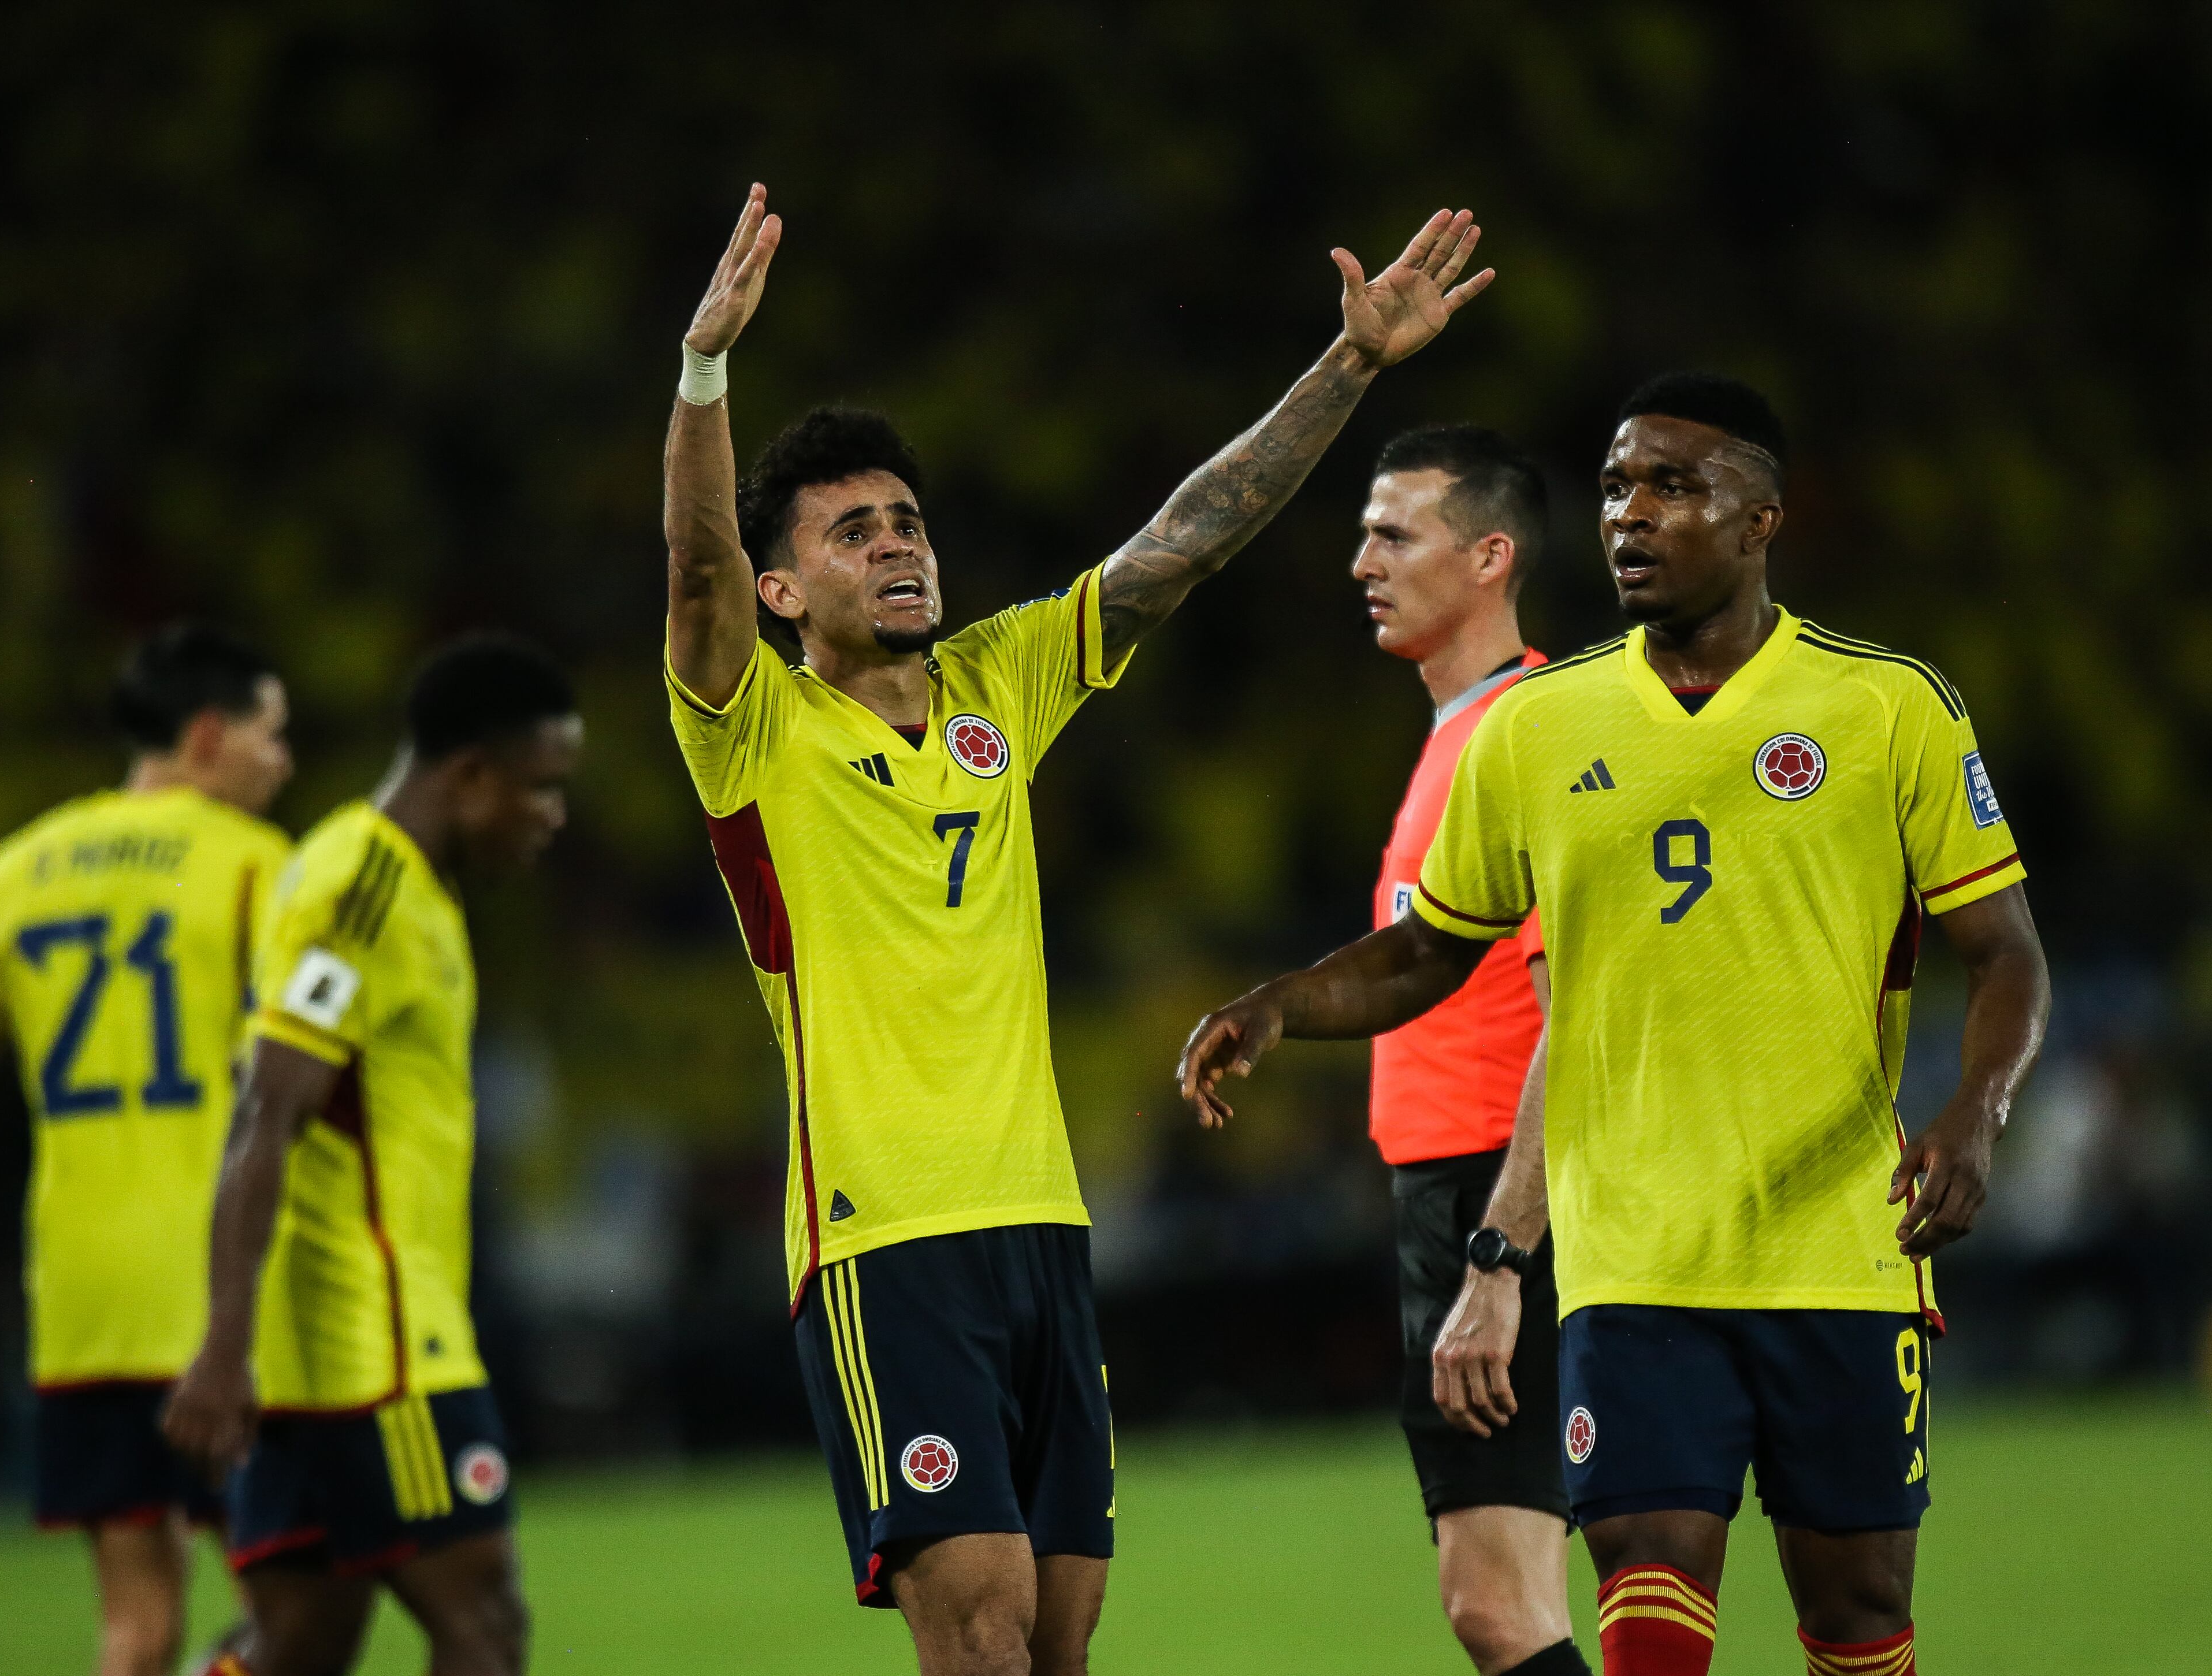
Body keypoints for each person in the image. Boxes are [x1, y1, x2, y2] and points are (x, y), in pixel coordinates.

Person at [659, 183, 1493, 1676]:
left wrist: (1352, 366)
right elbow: (695, 572)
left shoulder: (1000, 683)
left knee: (1056, 1641)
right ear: (785, 587)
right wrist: (706, 374)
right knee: (973, 1632)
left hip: (1040, 1228)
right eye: (852, 532)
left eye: (907, 520)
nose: (899, 544)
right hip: (882, 1243)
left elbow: (1188, 538)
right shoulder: (753, 730)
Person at [1178, 373, 2050, 1676]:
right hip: (1629, 1254)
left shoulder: (1886, 707)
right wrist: (1282, 1003)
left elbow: (2006, 954)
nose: (1630, 515)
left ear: (1760, 516)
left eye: (1672, 486)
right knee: (1644, 1575)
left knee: (1859, 1608)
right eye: (1613, 488)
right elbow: (1429, 947)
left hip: (1833, 1244)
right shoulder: (1539, 724)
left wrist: (1975, 1114)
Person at [0, 623, 295, 1676]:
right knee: (292, 1620)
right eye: (272, 733)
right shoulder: (265, 870)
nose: (286, 760)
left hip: (82, 1308)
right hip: (228, 1307)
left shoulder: (14, 872)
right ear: (209, 736)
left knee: (134, 1630)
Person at [162, 634, 581, 1676]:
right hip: (381, 1353)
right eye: (541, 788)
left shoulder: (404, 889)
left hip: (327, 1355)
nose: (554, 817)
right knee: (485, 1627)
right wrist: (220, 1347)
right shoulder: (363, 891)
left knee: (301, 1641)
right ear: (471, 773)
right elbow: (268, 1109)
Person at [1353, 426, 1585, 1676]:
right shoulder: (1468, 727)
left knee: (1496, 1601)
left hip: (1503, 1189)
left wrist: (1500, 1252)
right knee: (1527, 1593)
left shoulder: (1522, 737)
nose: (1361, 561)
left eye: (1395, 533)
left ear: (1490, 555)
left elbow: (1577, 1010)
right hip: (1466, 1187)